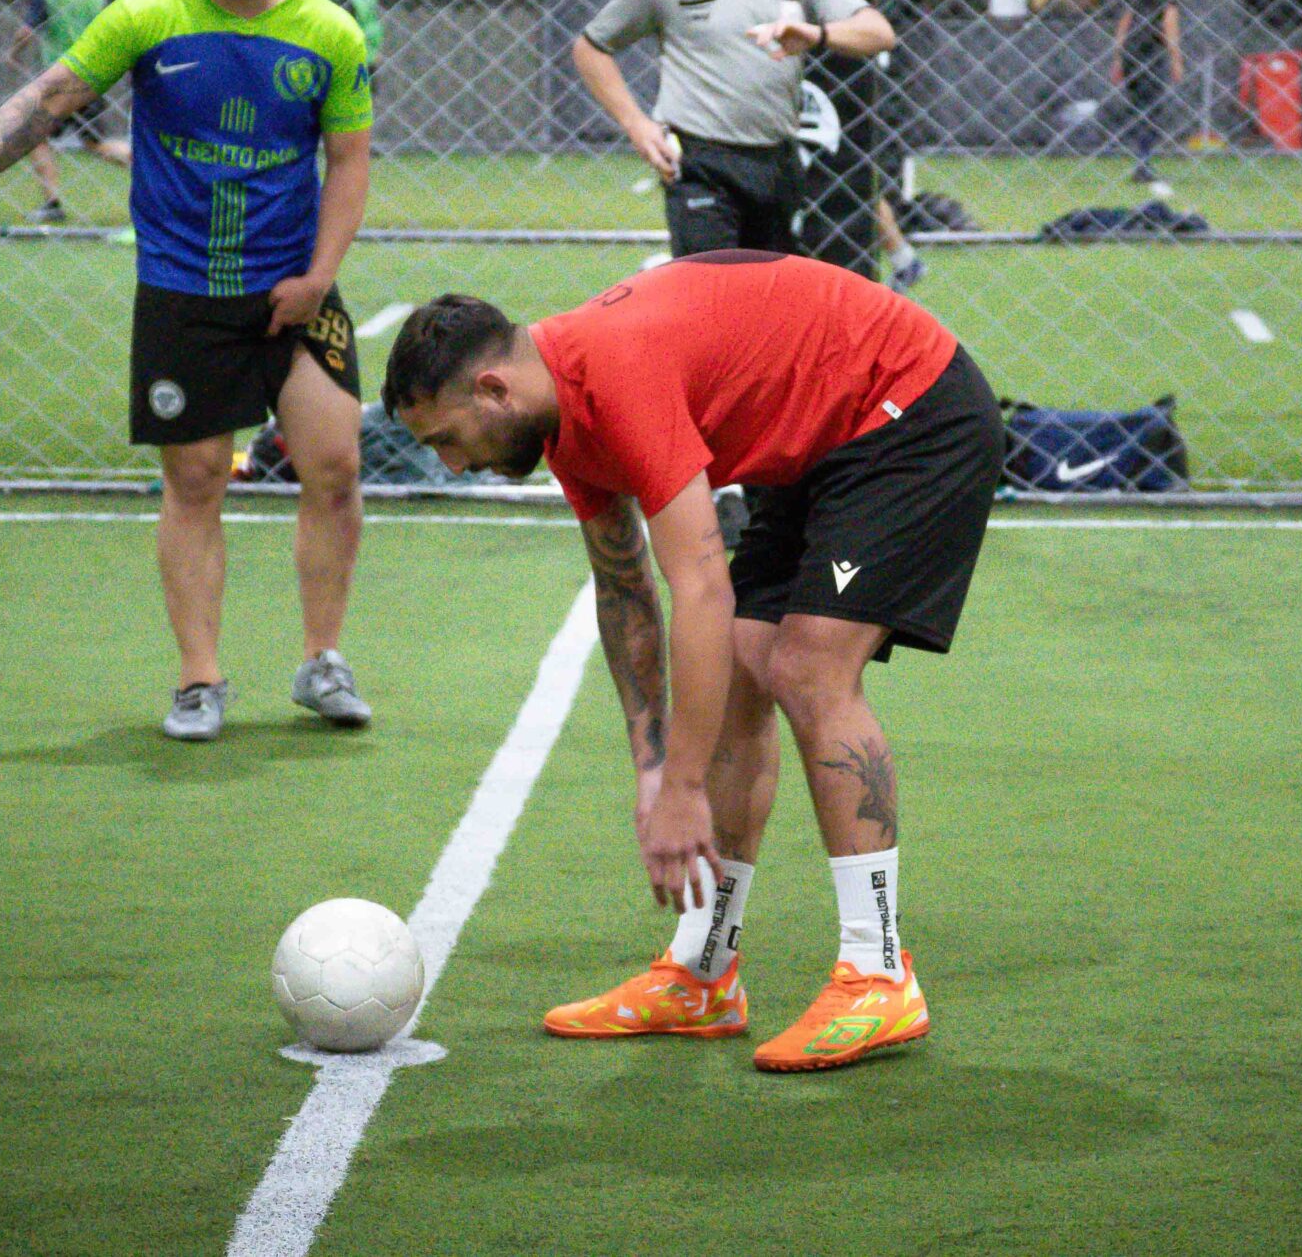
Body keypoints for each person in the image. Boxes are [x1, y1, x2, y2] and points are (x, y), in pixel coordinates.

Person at [382, 254, 1008, 1072]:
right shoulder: (559, 415)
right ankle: (704, 970)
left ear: (494, 389)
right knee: (743, 663)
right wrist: (653, 769)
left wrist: (684, 787)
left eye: (447, 439)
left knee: (808, 664)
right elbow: (626, 591)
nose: (454, 465)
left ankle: (880, 971)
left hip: (912, 407)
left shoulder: (614, 372)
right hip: (821, 439)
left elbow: (701, 587)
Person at [0, 0, 375, 740]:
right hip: (182, 289)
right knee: (197, 478)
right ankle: (199, 678)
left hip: (293, 289)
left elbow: (350, 161)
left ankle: (322, 660)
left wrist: (319, 275)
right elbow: (49, 96)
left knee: (334, 466)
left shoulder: (331, 31)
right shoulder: (146, 16)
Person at [574, 0, 896, 258]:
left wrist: (818, 34)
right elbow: (591, 48)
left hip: (776, 157)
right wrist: (636, 124)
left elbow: (879, 33)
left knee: (769, 286)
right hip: (701, 159)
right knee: (712, 282)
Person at [8, 0, 130, 221]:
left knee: (34, 137)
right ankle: (137, 160)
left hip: (60, 79)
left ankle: (52, 203)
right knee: (94, 143)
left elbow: (26, 32)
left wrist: (13, 53)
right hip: (92, 78)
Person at [1109, 0, 1196, 180]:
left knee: (1138, 107)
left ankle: (1141, 161)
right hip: (1150, 54)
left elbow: (1126, 20)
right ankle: (1144, 163)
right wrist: (1176, 60)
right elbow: (1169, 24)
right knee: (1151, 110)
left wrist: (1117, 56)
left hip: (1131, 52)